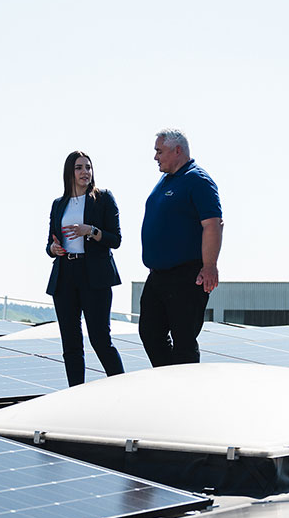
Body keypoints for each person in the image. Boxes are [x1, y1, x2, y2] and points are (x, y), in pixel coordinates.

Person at [139, 129, 224, 366]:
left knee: (183, 339)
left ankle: (187, 385)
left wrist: (210, 266)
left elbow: (213, 224)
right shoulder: (166, 180)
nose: (155, 157)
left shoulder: (198, 180)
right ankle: (169, 379)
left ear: (177, 150)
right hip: (158, 275)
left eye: (159, 151)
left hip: (187, 275)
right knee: (150, 332)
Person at [46, 150, 126, 386]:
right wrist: (53, 248)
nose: (85, 172)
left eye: (88, 167)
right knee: (70, 344)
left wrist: (90, 230)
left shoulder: (103, 198)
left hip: (95, 276)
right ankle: (76, 395)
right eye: (79, 168)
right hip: (65, 275)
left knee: (100, 340)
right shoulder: (58, 204)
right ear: (69, 172)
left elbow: (116, 240)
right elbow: (49, 243)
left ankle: (123, 389)